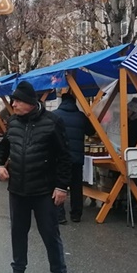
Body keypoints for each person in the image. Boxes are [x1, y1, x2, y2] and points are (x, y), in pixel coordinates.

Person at [0, 81, 72, 273]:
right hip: (18, 189)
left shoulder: (53, 122)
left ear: (31, 102)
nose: (14, 104)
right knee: (18, 233)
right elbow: (4, 148)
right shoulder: (13, 122)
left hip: (44, 191)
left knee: (50, 236)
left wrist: (61, 187)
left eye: (18, 101)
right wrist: (0, 165)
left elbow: (65, 157)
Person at [52, 92, 95, 224]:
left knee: (59, 185)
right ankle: (76, 214)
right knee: (76, 187)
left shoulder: (55, 115)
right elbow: (91, 131)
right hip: (77, 157)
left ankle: (60, 215)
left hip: (59, 158)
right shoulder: (81, 116)